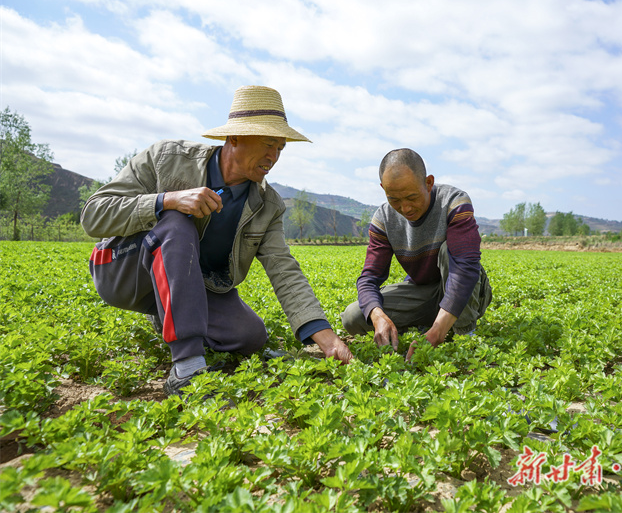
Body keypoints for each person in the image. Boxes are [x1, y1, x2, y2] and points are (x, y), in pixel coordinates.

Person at [81, 85, 353, 397]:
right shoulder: (167, 159)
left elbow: (284, 270)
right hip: (123, 272)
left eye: (280, 148)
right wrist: (166, 200)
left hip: (194, 286)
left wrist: (327, 339)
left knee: (250, 336)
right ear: (233, 138)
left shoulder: (268, 205)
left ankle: (170, 314)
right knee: (176, 223)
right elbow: (94, 214)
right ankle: (186, 366)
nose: (273, 156)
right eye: (267, 144)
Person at [341, 148, 492, 359]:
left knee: (449, 252)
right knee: (353, 316)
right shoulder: (383, 219)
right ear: (383, 189)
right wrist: (378, 316)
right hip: (423, 291)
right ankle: (427, 324)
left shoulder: (453, 202)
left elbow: (465, 269)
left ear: (428, 183)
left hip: (464, 287)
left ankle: (463, 333)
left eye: (412, 197)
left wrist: (438, 333)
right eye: (394, 199)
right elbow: (369, 279)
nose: (406, 208)